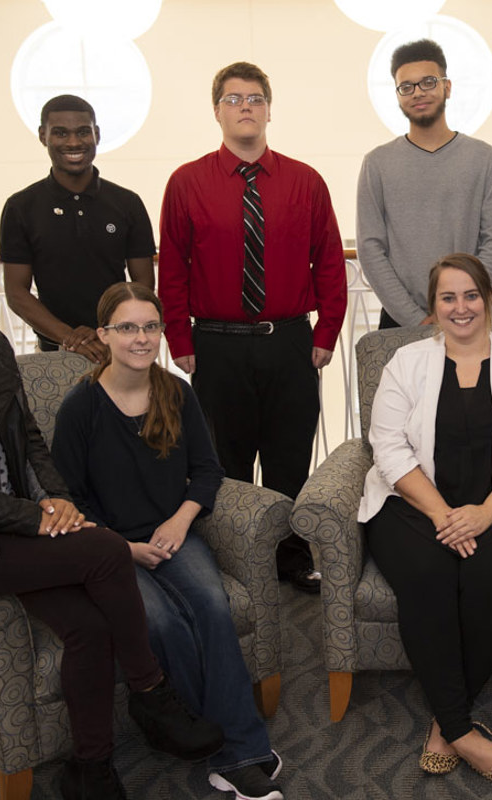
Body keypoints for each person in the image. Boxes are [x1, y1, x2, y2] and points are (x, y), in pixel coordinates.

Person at [0, 213, 222, 800]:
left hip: (16, 531)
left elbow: (29, 439)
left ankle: (90, 767)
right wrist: (34, 518)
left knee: (87, 627)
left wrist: (54, 497)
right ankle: (150, 691)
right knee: (108, 551)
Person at [51, 282, 284, 800]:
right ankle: (203, 737)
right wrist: (120, 548)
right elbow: (66, 498)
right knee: (160, 622)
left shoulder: (177, 392)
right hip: (111, 549)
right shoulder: (81, 408)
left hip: (173, 532)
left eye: (150, 327)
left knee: (213, 606)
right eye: (127, 328)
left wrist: (181, 522)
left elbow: (207, 471)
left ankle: (238, 751)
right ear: (105, 334)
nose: (141, 338)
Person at [357, 253, 492, 783]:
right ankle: (461, 728)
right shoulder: (405, 363)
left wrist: (483, 514)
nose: (461, 307)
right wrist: (446, 515)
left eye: (471, 295)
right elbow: (389, 448)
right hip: (413, 503)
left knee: (490, 578)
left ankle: (444, 724)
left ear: (488, 299)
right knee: (427, 577)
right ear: (433, 307)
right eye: (448, 297)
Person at [158, 61, 347, 594]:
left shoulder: (305, 180)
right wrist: (179, 337)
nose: (246, 107)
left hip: (289, 341)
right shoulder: (186, 182)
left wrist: (325, 332)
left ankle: (290, 556)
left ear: (269, 108)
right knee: (225, 461)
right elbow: (171, 267)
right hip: (216, 345)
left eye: (256, 98)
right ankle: (237, 558)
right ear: (216, 109)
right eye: (234, 98)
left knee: (290, 459)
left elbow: (329, 261)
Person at [356, 38, 492, 329]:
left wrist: (463, 305)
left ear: (446, 87)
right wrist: (416, 319)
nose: (417, 93)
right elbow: (371, 248)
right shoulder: (377, 163)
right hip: (402, 321)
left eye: (428, 82)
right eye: (406, 87)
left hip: (471, 317)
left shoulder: (483, 158)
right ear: (398, 96)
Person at [0, 94, 156, 361]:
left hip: (118, 349)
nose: (73, 142)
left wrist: (107, 331)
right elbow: (16, 292)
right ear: (42, 136)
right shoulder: (20, 207)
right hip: (53, 351)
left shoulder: (127, 203)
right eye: (60, 133)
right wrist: (68, 336)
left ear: (96, 134)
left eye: (83, 132)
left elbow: (143, 282)